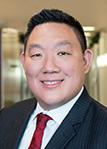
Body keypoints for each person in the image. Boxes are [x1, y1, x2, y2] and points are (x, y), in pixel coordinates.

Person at [0, 9, 107, 149]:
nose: (49, 67)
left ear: (85, 61)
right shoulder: (6, 117)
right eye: (37, 55)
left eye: (62, 53)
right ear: (23, 62)